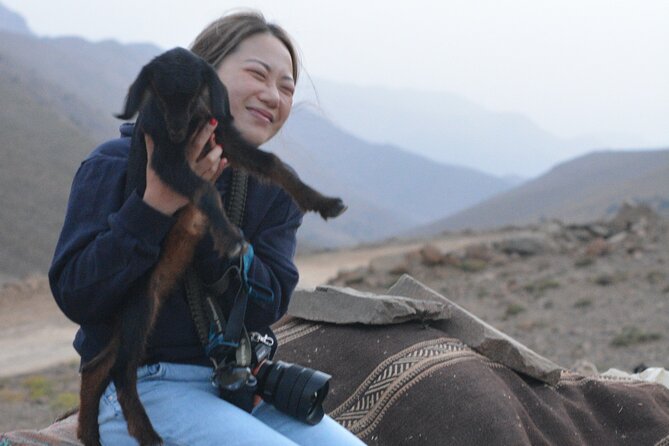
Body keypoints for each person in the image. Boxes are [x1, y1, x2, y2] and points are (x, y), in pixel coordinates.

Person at [49, 11, 363, 446]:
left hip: (238, 386)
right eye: (258, 74)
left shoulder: (271, 191)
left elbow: (266, 305)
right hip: (142, 388)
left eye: (287, 87)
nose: (273, 95)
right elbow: (76, 292)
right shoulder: (115, 164)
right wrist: (155, 205)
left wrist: (209, 233)